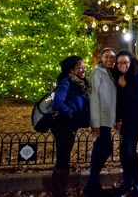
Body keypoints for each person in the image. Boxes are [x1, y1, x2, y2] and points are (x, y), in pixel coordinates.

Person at [49, 55, 91, 197]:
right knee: (63, 158)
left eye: (84, 67)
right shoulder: (66, 82)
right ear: (71, 70)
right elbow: (58, 103)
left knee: (64, 156)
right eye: (80, 67)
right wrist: (72, 114)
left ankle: (60, 189)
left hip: (70, 125)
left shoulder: (80, 83)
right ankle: (59, 192)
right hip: (63, 124)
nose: (83, 70)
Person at [83, 48, 117, 197]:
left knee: (104, 147)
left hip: (107, 118)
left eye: (112, 57)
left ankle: (92, 185)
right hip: (101, 119)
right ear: (101, 57)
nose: (109, 60)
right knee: (103, 147)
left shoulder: (110, 73)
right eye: (106, 57)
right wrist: (95, 122)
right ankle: (92, 185)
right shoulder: (97, 72)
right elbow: (94, 97)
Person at [112, 49, 138, 197]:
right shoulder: (118, 77)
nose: (122, 65)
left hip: (135, 119)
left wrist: (125, 86)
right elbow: (118, 101)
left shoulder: (137, 77)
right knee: (124, 151)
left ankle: (137, 183)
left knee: (130, 150)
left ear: (130, 62)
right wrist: (117, 119)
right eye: (119, 63)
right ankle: (127, 181)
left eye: (125, 62)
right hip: (124, 120)